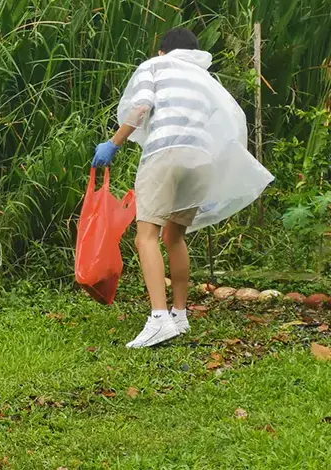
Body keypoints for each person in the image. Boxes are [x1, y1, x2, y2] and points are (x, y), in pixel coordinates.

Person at [92, 28, 273, 348]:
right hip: (201, 162)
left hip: (166, 154)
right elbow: (221, 125)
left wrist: (113, 143)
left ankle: (159, 319)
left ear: (163, 51)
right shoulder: (203, 80)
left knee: (146, 235)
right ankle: (179, 314)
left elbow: (141, 107)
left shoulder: (155, 66)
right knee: (173, 235)